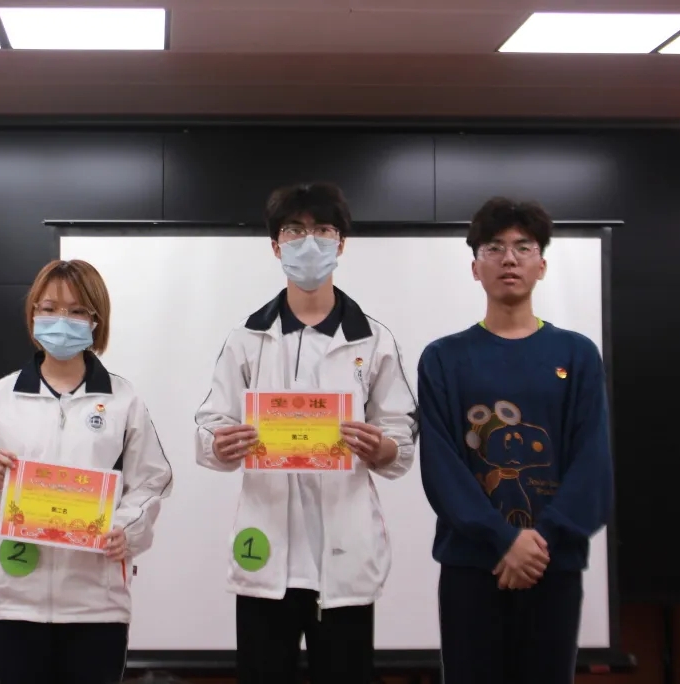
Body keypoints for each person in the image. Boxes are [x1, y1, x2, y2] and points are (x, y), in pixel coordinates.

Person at [193, 182, 419, 684]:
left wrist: (382, 447)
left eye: (323, 230)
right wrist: (221, 445)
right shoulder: (247, 338)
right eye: (295, 231)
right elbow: (210, 426)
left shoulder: (374, 341)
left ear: (341, 243)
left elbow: (400, 436)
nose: (309, 242)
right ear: (276, 246)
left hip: (345, 554)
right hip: (265, 550)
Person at [0, 259, 173, 684]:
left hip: (97, 604)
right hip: (15, 600)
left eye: (76, 311)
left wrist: (126, 529)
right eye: (49, 308)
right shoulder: (1, 397)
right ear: (33, 313)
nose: (61, 320)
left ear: (96, 320)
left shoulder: (123, 400)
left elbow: (152, 482)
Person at [417, 197, 614, 684]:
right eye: (494, 247)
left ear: (541, 265)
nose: (509, 258)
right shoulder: (443, 358)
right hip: (471, 565)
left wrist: (541, 541)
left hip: (551, 563)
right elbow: (442, 467)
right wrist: (503, 539)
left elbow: (592, 462)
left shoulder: (577, 354)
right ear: (475, 267)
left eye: (523, 247)